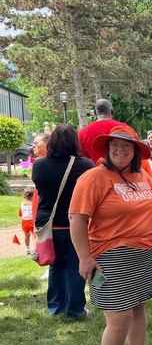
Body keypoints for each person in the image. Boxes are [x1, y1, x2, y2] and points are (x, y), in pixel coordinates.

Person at [70, 125, 152, 345]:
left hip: (143, 255)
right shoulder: (94, 178)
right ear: (107, 150)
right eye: (114, 145)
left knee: (138, 312)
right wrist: (85, 257)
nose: (120, 149)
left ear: (135, 151)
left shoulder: (142, 175)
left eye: (127, 145)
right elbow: (77, 219)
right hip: (108, 258)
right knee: (118, 319)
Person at [32, 125, 95, 318]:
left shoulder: (39, 165)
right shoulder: (85, 165)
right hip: (75, 223)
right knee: (75, 266)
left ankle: (55, 307)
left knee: (55, 265)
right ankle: (75, 309)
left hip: (48, 224)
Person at [78, 99, 130, 163]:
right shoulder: (125, 128)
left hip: (94, 170)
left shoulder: (83, 132)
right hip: (121, 171)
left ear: (95, 113)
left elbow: (81, 157)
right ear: (112, 112)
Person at [19, 187, 35, 255]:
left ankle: (27, 248)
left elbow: (20, 213)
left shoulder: (22, 204)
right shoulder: (34, 204)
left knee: (26, 235)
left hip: (25, 221)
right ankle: (36, 248)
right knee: (35, 235)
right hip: (32, 221)